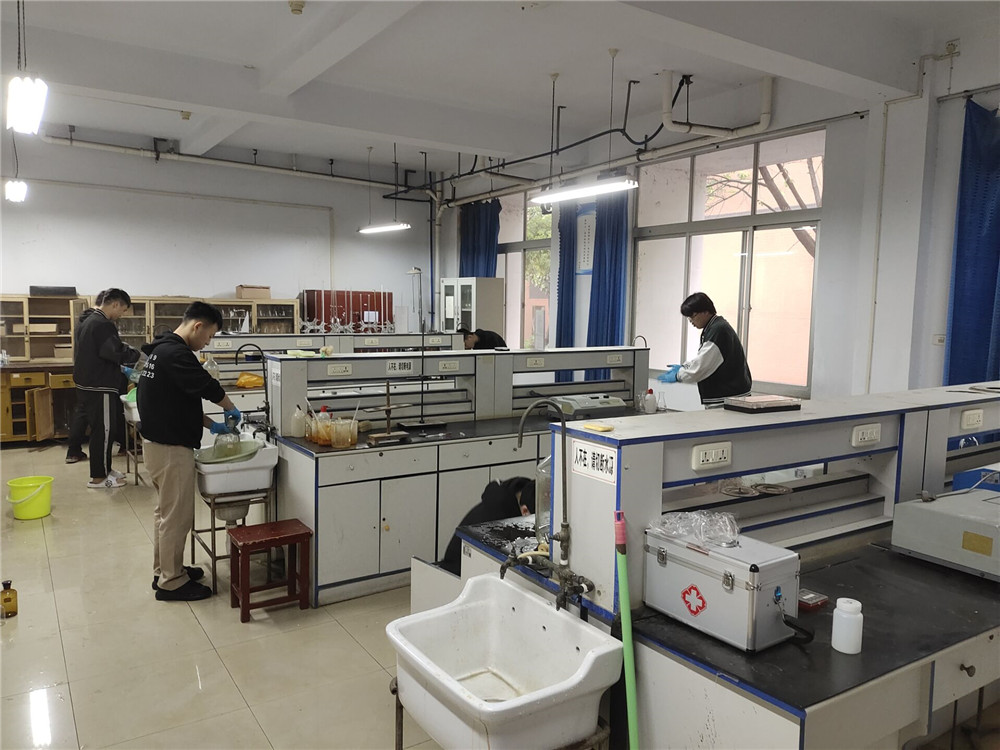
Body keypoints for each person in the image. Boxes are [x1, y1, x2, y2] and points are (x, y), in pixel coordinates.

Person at [137, 301, 241, 602]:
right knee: (177, 517)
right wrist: (230, 407)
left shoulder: (161, 349)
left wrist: (212, 425)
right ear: (198, 326)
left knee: (165, 513)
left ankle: (165, 570)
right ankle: (172, 582)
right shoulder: (177, 354)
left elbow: (177, 402)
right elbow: (206, 386)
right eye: (209, 335)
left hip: (157, 444)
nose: (207, 342)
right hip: (171, 448)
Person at [72, 288, 141, 487]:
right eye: (123, 310)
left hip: (88, 385)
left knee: (102, 431)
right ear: (115, 304)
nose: (122, 315)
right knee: (103, 431)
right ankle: (99, 478)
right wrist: (134, 353)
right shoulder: (102, 324)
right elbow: (114, 351)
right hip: (99, 386)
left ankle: (105, 469)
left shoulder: (88, 321)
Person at [658, 292, 752, 407]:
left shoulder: (718, 330)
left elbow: (701, 367)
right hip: (729, 398)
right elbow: (704, 359)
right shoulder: (713, 327)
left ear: (705, 311)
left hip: (728, 400)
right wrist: (684, 367)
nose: (690, 321)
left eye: (692, 316)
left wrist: (678, 375)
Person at [440, 477, 534, 575]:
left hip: (458, 564)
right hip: (458, 572)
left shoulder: (516, 494)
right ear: (525, 511)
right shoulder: (501, 517)